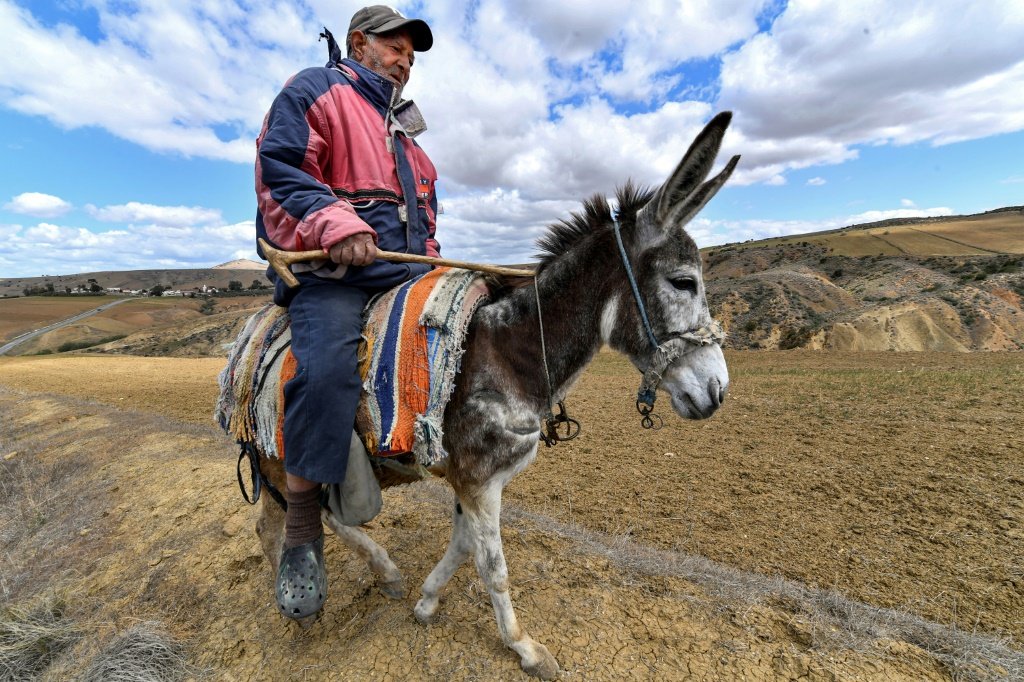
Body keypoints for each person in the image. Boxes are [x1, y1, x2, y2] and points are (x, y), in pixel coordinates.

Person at [254, 5, 438, 620]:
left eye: (411, 56)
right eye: (395, 48)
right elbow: (281, 169)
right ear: (360, 42)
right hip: (333, 276)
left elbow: (426, 222)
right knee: (327, 369)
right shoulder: (316, 90)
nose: (404, 61)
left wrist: (434, 259)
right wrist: (338, 223)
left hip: (401, 272)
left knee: (476, 336)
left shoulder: (411, 139)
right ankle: (302, 530)